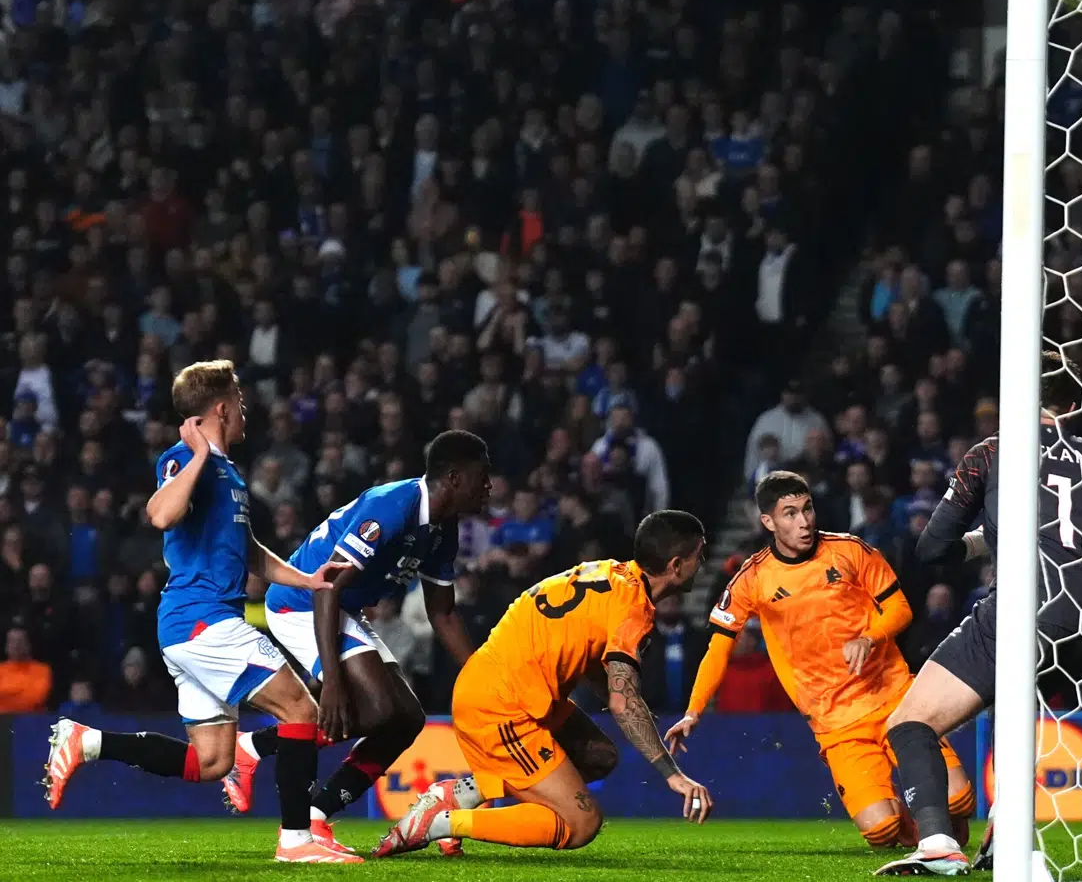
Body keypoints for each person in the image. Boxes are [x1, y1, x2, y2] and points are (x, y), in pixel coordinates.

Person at [875, 352, 1082, 877]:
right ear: (1072, 405)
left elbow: (931, 548)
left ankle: (937, 844)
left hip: (1028, 605)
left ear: (1015, 401)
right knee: (1013, 706)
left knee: (910, 723)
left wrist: (980, 543)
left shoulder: (992, 452)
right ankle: (1007, 834)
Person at [44, 360, 359, 864]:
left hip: (193, 626)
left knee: (211, 761)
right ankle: (297, 839)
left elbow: (247, 549)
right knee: (301, 709)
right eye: (239, 399)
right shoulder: (183, 459)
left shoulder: (229, 472)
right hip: (204, 619)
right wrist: (196, 456)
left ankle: (88, 742)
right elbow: (161, 514)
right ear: (221, 407)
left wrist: (306, 578)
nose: (244, 408)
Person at [665, 471, 987, 851]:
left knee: (959, 800)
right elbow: (718, 647)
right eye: (789, 514)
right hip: (836, 721)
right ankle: (920, 833)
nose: (803, 521)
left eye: (807, 509)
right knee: (881, 830)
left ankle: (939, 826)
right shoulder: (752, 579)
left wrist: (871, 637)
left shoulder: (851, 550)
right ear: (768, 521)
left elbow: (900, 608)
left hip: (897, 699)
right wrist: (694, 710)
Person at [372, 510, 714, 858]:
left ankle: (461, 794)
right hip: (503, 705)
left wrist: (632, 704)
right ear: (675, 564)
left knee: (599, 756)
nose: (701, 562)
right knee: (582, 824)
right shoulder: (633, 609)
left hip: (515, 688)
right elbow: (622, 703)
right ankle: (440, 823)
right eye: (698, 554)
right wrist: (672, 775)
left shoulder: (609, 572)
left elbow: (588, 656)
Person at [222, 430, 491, 856]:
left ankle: (315, 813)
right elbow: (325, 587)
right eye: (483, 477)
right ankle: (252, 747)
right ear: (454, 478)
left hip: (341, 608)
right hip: (302, 601)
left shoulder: (443, 530)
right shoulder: (392, 506)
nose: (489, 487)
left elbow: (443, 613)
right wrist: (331, 682)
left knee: (407, 720)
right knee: (376, 709)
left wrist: (485, 677)